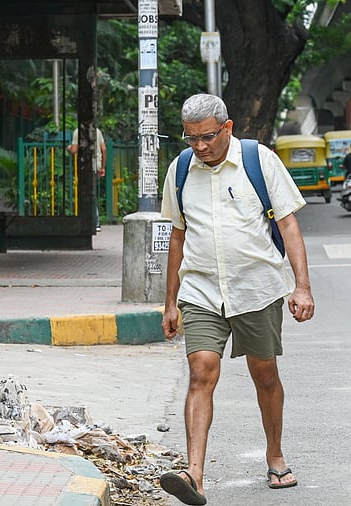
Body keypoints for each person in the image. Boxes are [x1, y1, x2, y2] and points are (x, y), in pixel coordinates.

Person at [158, 94, 314, 505]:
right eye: (191, 139)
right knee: (201, 372)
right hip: (202, 290)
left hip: (256, 288)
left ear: (227, 128)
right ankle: (193, 474)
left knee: (264, 374)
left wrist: (302, 286)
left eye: (207, 137)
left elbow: (288, 222)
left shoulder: (258, 161)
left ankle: (275, 454)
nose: (199, 146)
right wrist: (170, 301)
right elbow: (178, 234)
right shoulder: (180, 170)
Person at [67, 126, 107, 232]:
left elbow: (74, 150)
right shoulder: (97, 131)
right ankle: (93, 221)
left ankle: (93, 221)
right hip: (96, 166)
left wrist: (69, 148)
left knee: (86, 194)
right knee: (91, 193)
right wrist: (102, 167)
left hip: (85, 166)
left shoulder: (78, 132)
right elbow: (104, 149)